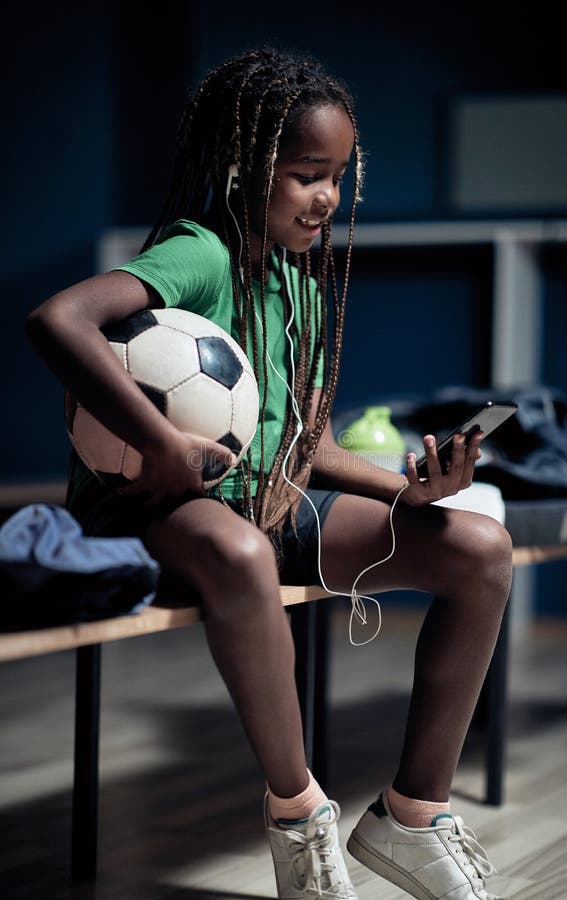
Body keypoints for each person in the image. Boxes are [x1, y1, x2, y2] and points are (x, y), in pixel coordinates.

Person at [25, 47, 512, 900]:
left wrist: (409, 491)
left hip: (266, 509)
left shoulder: (300, 282)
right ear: (243, 168)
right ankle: (300, 819)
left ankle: (412, 815)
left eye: (338, 177)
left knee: (479, 547)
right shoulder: (199, 254)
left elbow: (309, 443)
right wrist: (160, 440)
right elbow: (57, 320)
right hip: (157, 509)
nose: (328, 197)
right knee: (245, 558)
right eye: (305, 174)